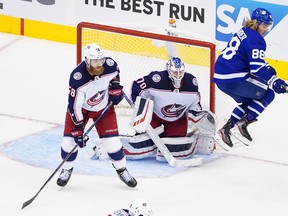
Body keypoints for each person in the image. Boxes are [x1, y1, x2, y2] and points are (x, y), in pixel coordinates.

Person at [56, 44, 137, 188]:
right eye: (95, 61)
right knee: (68, 144)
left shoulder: (110, 65)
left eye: (100, 60)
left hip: (104, 108)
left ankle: (121, 169)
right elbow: (74, 106)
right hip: (81, 111)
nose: (99, 64)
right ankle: (66, 169)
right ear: (87, 60)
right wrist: (78, 128)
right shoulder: (78, 78)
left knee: (113, 145)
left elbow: (115, 75)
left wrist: (115, 87)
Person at [212, 8, 288, 148]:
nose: (266, 29)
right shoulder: (257, 40)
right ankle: (243, 123)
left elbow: (247, 56)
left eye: (268, 26)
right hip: (234, 78)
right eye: (264, 25)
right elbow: (257, 68)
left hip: (221, 78)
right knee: (268, 93)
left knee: (251, 102)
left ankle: (226, 129)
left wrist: (266, 66)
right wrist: (275, 81)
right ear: (257, 23)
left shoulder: (243, 32)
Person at [122, 56, 216, 161]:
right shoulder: (157, 79)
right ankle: (158, 134)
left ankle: (163, 135)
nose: (178, 75)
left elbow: (195, 102)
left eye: (180, 72)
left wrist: (198, 115)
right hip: (155, 116)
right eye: (175, 72)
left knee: (175, 146)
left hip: (177, 119)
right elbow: (137, 85)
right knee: (144, 139)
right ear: (168, 71)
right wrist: (140, 106)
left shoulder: (191, 82)